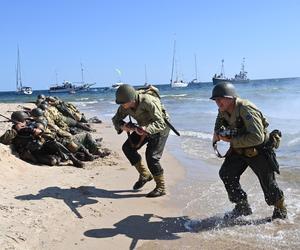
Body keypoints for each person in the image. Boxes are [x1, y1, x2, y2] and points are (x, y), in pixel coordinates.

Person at [210, 82, 287, 220]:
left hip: (259, 149)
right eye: (215, 99)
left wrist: (230, 141)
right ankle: (242, 206)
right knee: (227, 174)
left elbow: (257, 137)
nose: (217, 102)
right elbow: (219, 123)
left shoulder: (246, 108)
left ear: (231, 98)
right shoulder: (222, 109)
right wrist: (217, 133)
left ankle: (280, 210)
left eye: (220, 98)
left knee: (268, 185)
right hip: (240, 149)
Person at [112, 84, 170, 197]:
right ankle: (145, 174)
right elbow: (116, 119)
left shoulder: (148, 101)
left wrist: (146, 129)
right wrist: (123, 126)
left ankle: (161, 187)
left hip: (160, 129)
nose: (123, 106)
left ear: (132, 99)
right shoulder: (125, 105)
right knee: (127, 148)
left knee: (152, 157)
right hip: (141, 128)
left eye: (124, 103)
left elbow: (160, 122)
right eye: (121, 104)